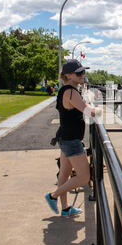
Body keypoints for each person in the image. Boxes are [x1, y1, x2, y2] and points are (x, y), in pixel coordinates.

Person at [45, 59, 101, 217]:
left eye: (83, 72)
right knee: (84, 177)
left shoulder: (65, 90)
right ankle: (52, 196)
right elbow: (89, 112)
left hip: (65, 137)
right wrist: (101, 109)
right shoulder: (71, 92)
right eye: (79, 73)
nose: (82, 75)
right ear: (68, 75)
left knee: (64, 174)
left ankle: (65, 208)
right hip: (71, 141)